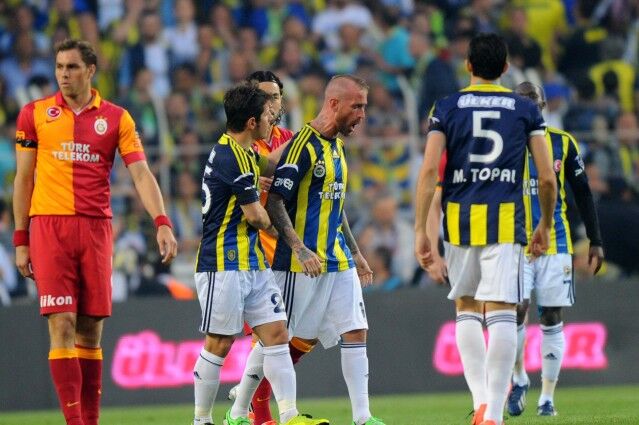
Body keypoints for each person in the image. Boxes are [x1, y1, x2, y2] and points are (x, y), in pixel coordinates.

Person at [12, 39, 178, 425]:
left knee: (90, 332)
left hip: (96, 230)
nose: (63, 74)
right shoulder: (34, 114)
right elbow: (23, 179)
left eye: (71, 67)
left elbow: (140, 173)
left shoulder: (117, 118)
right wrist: (21, 239)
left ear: (90, 70)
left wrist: (162, 221)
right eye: (59, 67)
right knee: (62, 323)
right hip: (49, 227)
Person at [414, 33, 557, 425]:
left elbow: (429, 171)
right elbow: (547, 177)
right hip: (506, 221)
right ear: (506, 68)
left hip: (459, 221)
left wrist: (421, 231)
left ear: (468, 66)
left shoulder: (446, 107)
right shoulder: (525, 109)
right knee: (502, 312)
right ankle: (493, 413)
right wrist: (545, 224)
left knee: (466, 308)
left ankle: (480, 401)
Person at [193, 83, 327, 425]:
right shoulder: (232, 159)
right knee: (219, 342)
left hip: (252, 262)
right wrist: (280, 229)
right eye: (268, 116)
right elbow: (256, 216)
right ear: (252, 122)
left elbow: (269, 164)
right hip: (223, 263)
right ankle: (202, 419)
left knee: (277, 333)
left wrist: (306, 135)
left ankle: (290, 416)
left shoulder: (241, 151)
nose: (272, 122)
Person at [265, 74, 385, 425]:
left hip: (337, 258)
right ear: (333, 104)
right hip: (301, 263)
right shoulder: (302, 145)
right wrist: (300, 248)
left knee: (356, 329)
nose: (362, 115)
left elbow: (336, 205)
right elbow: (275, 201)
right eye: (357, 106)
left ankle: (363, 417)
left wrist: (356, 252)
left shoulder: (337, 146)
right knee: (276, 337)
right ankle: (241, 405)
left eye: (364, 106)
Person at [506, 82, 604, 417]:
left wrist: (596, 239)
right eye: (521, 102)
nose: (527, 107)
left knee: (551, 315)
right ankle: (519, 378)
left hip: (556, 242)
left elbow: (583, 192)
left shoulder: (563, 142)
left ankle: (547, 397)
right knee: (516, 309)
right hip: (515, 243)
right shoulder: (503, 145)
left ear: (543, 105)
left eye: (532, 101)